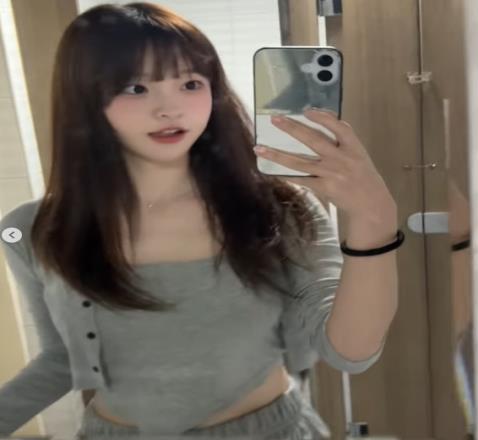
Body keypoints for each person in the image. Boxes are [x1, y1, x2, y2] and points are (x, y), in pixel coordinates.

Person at [0, 2, 401, 439]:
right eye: (136, 88)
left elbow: (350, 352)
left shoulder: (280, 208)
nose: (169, 108)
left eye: (190, 83)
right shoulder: (36, 229)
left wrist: (374, 219)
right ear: (85, 100)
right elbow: (62, 360)